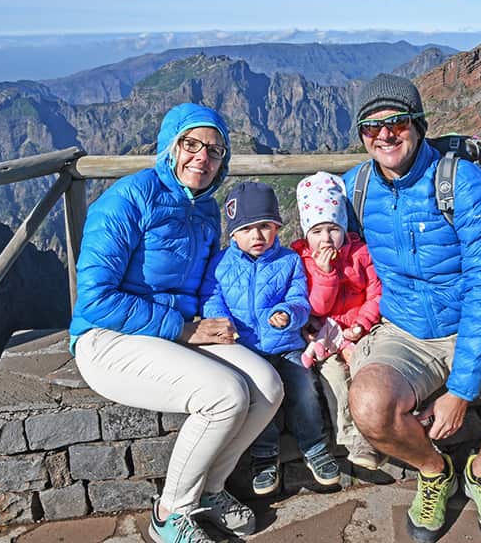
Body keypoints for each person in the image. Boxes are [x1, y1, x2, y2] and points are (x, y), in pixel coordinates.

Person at [343, 74, 481, 543]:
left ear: (418, 125)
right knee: (368, 403)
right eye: (370, 127)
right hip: (406, 330)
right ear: (360, 135)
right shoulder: (355, 188)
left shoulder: (464, 183)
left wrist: (461, 390)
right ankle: (434, 471)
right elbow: (323, 256)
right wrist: (334, 327)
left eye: (396, 122)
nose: (384, 135)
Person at [70, 103, 281, 543]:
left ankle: (211, 489)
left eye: (216, 150)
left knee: (267, 386)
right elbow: (96, 298)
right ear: (170, 145)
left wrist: (217, 319)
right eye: (191, 144)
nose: (202, 157)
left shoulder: (204, 210)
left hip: (176, 328)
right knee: (224, 395)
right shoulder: (127, 199)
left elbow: (203, 281)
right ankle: (170, 513)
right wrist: (184, 329)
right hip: (108, 336)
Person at [200, 182, 341, 496]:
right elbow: (212, 297)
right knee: (260, 398)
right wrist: (222, 321)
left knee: (304, 389)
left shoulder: (289, 261)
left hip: (286, 344)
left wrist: (287, 313)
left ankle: (315, 447)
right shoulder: (221, 264)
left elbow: (300, 300)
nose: (257, 236)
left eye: (265, 226)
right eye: (247, 228)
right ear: (233, 233)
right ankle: (264, 455)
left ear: (277, 226)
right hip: (246, 346)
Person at [291, 171, 385, 470]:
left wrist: (362, 324)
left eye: (332, 229)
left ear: (343, 227)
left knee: (366, 367)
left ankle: (374, 431)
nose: (325, 239)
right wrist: (325, 274)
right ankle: (352, 437)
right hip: (326, 336)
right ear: (306, 233)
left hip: (361, 328)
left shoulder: (361, 253)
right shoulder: (303, 261)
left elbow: (376, 292)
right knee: (334, 379)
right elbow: (316, 308)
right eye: (317, 232)